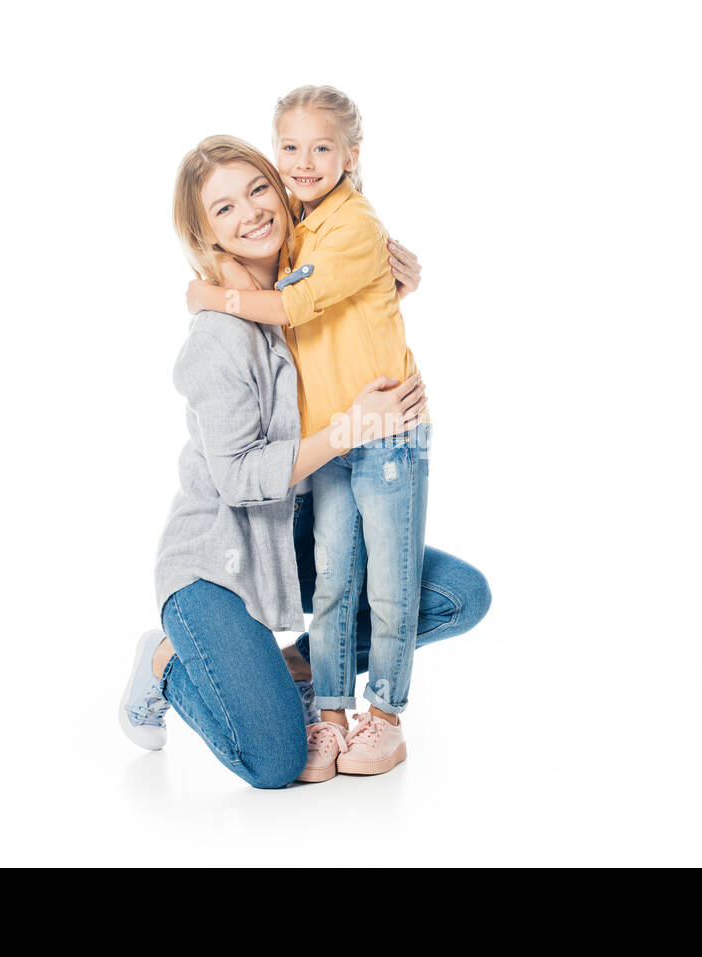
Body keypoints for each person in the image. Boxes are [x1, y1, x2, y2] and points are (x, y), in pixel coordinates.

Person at [120, 134, 490, 790]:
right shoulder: (218, 339)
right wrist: (351, 429)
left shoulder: (302, 286)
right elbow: (238, 478)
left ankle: (293, 664)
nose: (252, 213)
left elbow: (329, 324)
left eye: (259, 189)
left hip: (299, 544)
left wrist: (390, 282)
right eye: (225, 209)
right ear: (208, 236)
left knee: (458, 595)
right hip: (218, 565)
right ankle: (169, 661)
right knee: (276, 760)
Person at [185, 86, 431, 781]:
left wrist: (212, 293)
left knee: (389, 586)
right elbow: (295, 288)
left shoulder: (347, 225)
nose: (303, 162)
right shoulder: (297, 226)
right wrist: (214, 295)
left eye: (321, 148)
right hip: (323, 451)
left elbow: (296, 304)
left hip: (383, 436)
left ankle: (382, 718)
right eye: (289, 147)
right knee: (335, 585)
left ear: (352, 156)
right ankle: (326, 713)